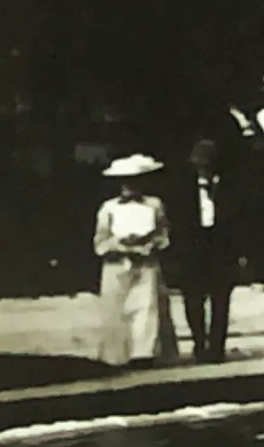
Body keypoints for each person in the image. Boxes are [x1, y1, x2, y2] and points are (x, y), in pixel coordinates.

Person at [92, 155, 177, 367]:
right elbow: (101, 240)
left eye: (135, 180)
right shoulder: (109, 208)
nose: (130, 185)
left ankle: (144, 352)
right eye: (126, 180)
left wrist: (150, 245)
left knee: (147, 306)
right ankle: (118, 354)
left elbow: (163, 233)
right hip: (117, 264)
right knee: (118, 308)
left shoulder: (154, 205)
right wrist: (121, 247)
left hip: (146, 263)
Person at [171, 133, 243, 360]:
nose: (203, 168)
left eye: (208, 164)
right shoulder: (182, 191)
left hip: (220, 247)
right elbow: (176, 222)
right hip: (192, 247)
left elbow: (239, 221)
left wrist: (240, 252)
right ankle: (199, 342)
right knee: (193, 298)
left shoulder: (228, 187)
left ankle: (217, 346)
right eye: (200, 164)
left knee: (221, 299)